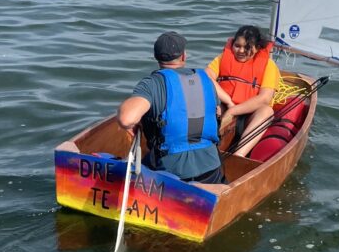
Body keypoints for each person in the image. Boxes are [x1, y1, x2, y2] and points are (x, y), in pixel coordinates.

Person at [117, 31, 228, 185]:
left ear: (156, 57)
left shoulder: (152, 83)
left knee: (134, 164)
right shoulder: (206, 80)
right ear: (184, 56)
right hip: (211, 169)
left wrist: (131, 121)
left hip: (172, 173)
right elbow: (217, 111)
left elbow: (126, 118)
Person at [207, 25, 281, 158]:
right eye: (237, 45)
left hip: (250, 114)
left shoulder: (269, 66)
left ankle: (238, 156)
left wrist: (233, 111)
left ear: (257, 48)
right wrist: (229, 102)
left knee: (267, 111)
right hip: (225, 107)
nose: (241, 51)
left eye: (247, 47)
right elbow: (206, 77)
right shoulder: (223, 58)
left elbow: (264, 99)